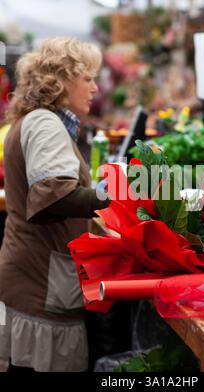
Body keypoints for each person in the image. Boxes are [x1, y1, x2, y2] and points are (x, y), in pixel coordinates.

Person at [0, 37, 110, 372]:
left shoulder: (41, 121)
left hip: (31, 274)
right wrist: (121, 196)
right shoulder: (46, 124)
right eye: (87, 78)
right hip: (38, 282)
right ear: (60, 82)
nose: (95, 88)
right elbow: (55, 197)